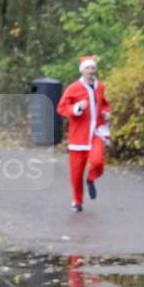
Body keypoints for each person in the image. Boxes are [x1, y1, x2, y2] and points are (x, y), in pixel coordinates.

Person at [56, 56, 111, 212]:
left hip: (97, 132)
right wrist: (77, 107)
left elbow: (104, 104)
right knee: (76, 172)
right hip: (78, 136)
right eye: (87, 68)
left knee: (98, 161)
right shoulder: (74, 88)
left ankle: (91, 178)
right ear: (82, 70)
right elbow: (61, 108)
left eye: (92, 68)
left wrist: (106, 113)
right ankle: (77, 200)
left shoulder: (100, 87)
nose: (90, 71)